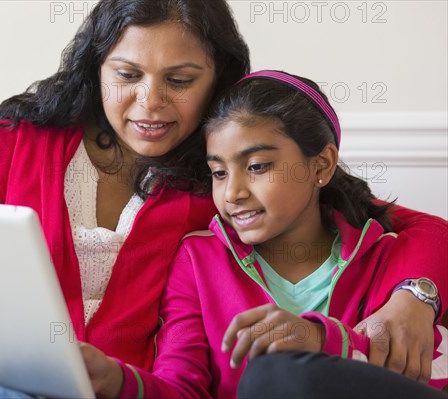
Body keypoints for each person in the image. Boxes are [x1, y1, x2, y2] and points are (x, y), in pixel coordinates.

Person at [0, 0, 446, 396]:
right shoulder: (2, 150)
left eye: (179, 81)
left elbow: (414, 228)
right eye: (126, 74)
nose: (148, 103)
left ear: (217, 82)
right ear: (95, 67)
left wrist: (414, 297)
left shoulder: (223, 186)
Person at [80, 70, 448, 398]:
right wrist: (118, 381)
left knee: (274, 373)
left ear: (321, 165)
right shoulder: (197, 261)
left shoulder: (387, 259)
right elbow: (182, 386)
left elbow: (418, 375)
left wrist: (321, 340)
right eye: (219, 173)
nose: (233, 192)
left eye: (257, 166)